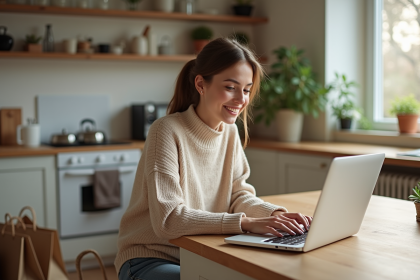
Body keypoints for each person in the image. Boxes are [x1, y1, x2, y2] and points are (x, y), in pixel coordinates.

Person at [115, 37, 313, 280]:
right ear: (201, 84)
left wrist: (274, 215)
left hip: (200, 254)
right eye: (230, 87)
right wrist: (246, 223)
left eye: (247, 89)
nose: (241, 100)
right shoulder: (165, 131)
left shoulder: (229, 132)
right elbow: (168, 220)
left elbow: (238, 196)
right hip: (151, 259)